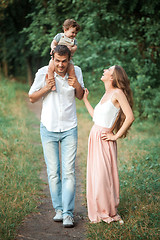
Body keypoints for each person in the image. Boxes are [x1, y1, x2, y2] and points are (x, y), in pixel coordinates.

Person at [28, 45, 84, 228]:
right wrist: (47, 88)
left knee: (68, 172)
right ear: (52, 57)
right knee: (53, 173)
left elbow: (81, 95)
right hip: (48, 128)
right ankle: (58, 210)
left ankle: (68, 213)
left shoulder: (76, 72)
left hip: (69, 128)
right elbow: (32, 97)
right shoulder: (43, 72)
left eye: (64, 61)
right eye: (57, 60)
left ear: (69, 60)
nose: (60, 65)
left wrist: (76, 85)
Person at [83, 65, 134, 224]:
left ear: (112, 77)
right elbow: (96, 117)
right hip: (95, 137)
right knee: (95, 175)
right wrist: (85, 100)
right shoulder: (106, 94)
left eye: (108, 70)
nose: (104, 70)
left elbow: (130, 116)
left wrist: (116, 136)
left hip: (105, 138)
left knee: (103, 176)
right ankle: (98, 210)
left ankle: (107, 210)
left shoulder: (118, 93)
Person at [48, 19, 81, 91]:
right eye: (72, 32)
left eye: (76, 33)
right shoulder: (60, 36)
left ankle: (71, 84)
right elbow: (53, 42)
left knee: (72, 70)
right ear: (65, 30)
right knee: (50, 69)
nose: (74, 35)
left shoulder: (74, 40)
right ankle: (52, 84)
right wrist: (53, 48)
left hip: (68, 60)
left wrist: (71, 49)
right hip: (56, 59)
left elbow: (75, 47)